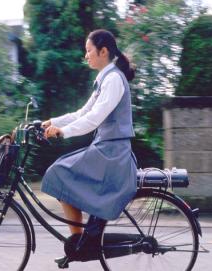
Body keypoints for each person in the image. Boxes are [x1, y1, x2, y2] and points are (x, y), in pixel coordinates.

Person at [42, 29, 138, 240]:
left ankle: (79, 241)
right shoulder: (105, 79)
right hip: (105, 149)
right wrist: (53, 122)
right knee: (62, 173)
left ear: (103, 51)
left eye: (88, 50)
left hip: (112, 152)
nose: (86, 55)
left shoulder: (113, 79)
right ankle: (81, 241)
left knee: (59, 172)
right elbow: (83, 113)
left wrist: (63, 131)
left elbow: (94, 118)